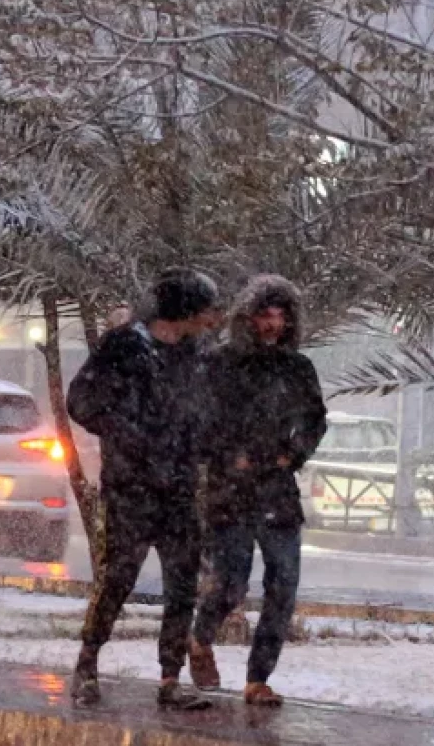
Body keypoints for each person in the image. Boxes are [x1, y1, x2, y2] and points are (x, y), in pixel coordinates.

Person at [66, 268, 222, 710]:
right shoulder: (123, 346)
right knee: (118, 578)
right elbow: (81, 401)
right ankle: (87, 663)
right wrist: (127, 435)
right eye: (206, 309)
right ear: (185, 310)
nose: (211, 319)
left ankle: (170, 679)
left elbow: (206, 413)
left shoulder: (197, 355)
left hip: (179, 488)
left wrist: (203, 447)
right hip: (130, 487)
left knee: (182, 585)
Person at [189, 275, 327, 707]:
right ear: (248, 317)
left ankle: (258, 678)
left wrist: (293, 454)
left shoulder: (297, 368)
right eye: (265, 315)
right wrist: (230, 457)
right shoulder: (219, 364)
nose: (273, 324)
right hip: (230, 490)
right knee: (231, 583)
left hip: (277, 489)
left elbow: (315, 419)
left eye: (281, 316)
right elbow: (198, 421)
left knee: (284, 583)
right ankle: (200, 637)